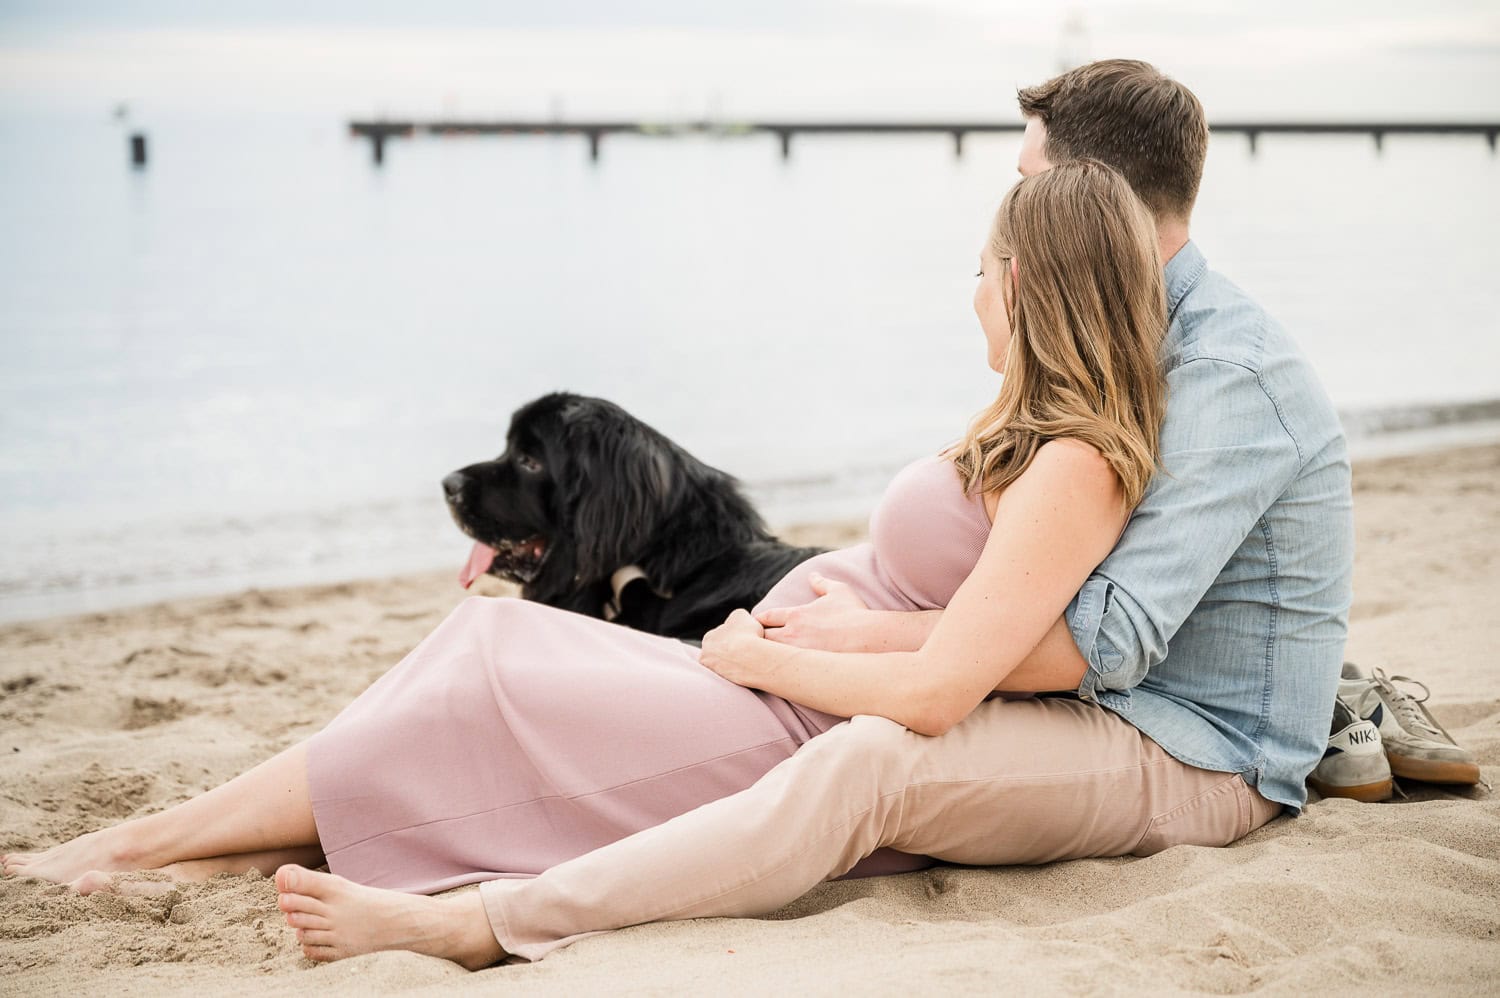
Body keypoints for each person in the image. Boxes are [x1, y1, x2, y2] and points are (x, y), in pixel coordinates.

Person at [5, 61, 1354, 973]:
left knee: (775, 748)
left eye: (1012, 214)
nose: (986, 256)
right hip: (892, 670)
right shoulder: (1104, 357)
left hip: (1167, 741)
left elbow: (1095, 644)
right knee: (487, 649)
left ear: (1085, 213)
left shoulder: (1217, 378)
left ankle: (460, 913)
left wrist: (797, 647)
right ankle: (166, 834)